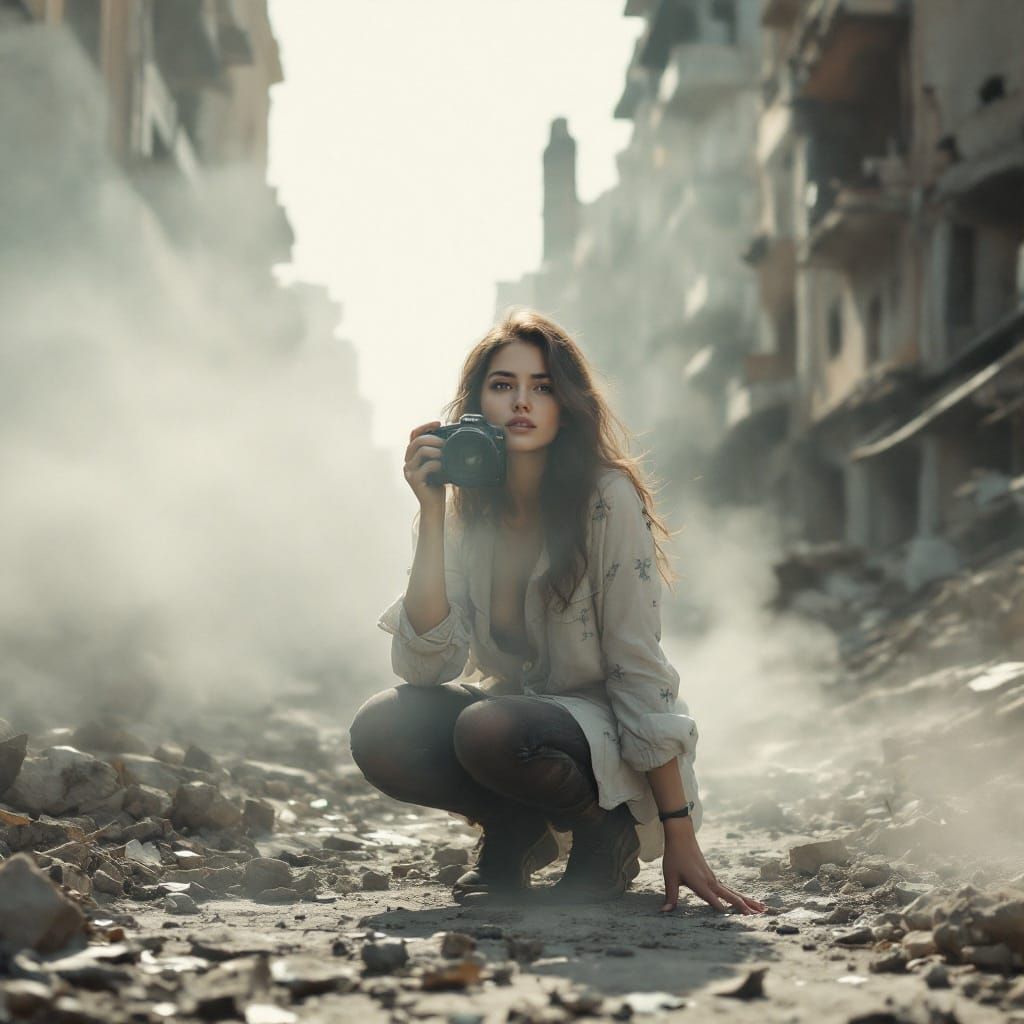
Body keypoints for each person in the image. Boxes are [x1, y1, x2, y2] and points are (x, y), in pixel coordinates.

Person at [349, 310, 766, 915]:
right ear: (474, 406)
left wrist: (680, 832)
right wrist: (433, 513)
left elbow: (637, 666)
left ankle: (607, 836)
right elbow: (426, 666)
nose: (522, 401)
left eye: (542, 386)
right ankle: (516, 830)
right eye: (502, 385)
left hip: (595, 732)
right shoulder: (468, 510)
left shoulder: (606, 499)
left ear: (566, 403)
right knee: (381, 728)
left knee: (487, 726)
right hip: (509, 724)